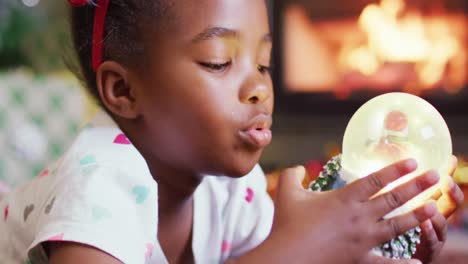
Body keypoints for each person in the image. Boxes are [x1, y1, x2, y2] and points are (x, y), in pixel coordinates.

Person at [0, 0, 463, 263]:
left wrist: (394, 252)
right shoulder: (97, 188)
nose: (260, 87)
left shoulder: (232, 189)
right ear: (123, 89)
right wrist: (292, 250)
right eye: (219, 61)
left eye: (264, 63)